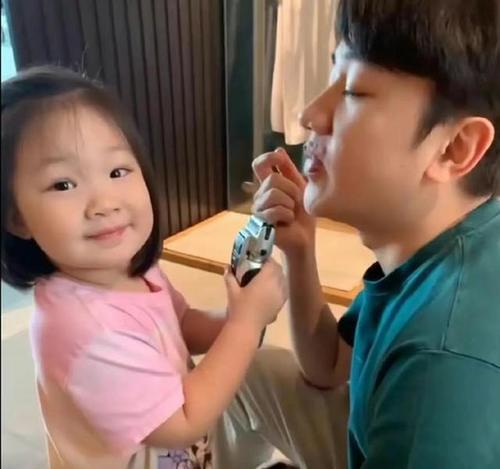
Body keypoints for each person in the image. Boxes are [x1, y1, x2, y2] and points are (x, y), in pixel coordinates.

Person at [212, 0, 500, 468]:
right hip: (370, 431)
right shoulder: (434, 245)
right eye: (333, 74)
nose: (310, 115)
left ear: (454, 148)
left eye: (354, 92)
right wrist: (300, 249)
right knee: (243, 374)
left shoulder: (440, 365)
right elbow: (328, 366)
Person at [0, 65, 287, 469]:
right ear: (17, 218)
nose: (104, 203)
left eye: (117, 171)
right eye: (63, 184)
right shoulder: (84, 332)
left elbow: (180, 324)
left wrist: (238, 316)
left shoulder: (132, 270)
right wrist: (245, 324)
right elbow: (183, 421)